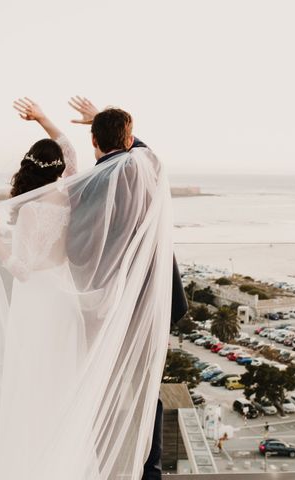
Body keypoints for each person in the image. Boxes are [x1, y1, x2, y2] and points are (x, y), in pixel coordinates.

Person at [0, 97, 175, 480]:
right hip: (63, 300)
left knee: (30, 384)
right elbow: (72, 150)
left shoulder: (35, 208)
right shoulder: (71, 192)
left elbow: (22, 269)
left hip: (37, 303)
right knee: (61, 383)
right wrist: (47, 120)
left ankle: (34, 462)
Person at [68, 97, 188, 480]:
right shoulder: (147, 168)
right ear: (130, 137)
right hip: (152, 303)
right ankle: (148, 469)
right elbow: (142, 149)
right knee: (145, 388)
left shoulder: (91, 184)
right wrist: (103, 120)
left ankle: (107, 467)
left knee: (101, 387)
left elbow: (78, 249)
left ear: (92, 141)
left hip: (109, 307)